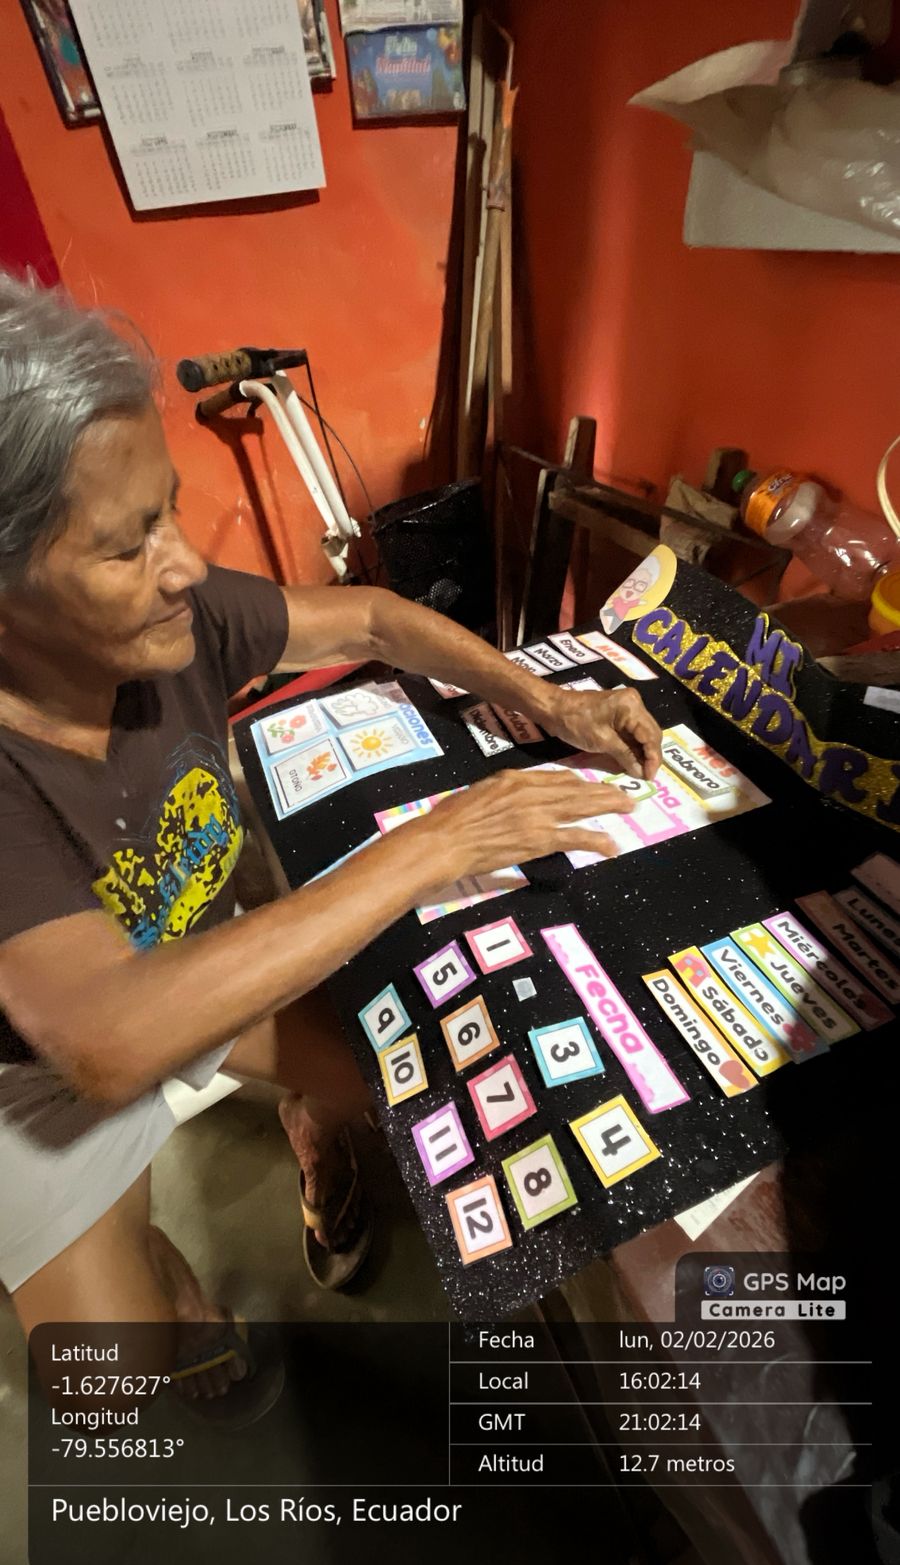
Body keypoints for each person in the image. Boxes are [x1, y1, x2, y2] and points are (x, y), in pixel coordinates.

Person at [0, 272, 662, 1404]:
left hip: (192, 956)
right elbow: (106, 1041)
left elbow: (369, 618)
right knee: (109, 1377)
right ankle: (151, 1263)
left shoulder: (177, 619)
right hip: (38, 1068)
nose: (185, 564)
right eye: (126, 545)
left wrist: (545, 698)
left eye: (168, 510)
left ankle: (310, 1117)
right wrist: (439, 840)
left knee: (426, 1079)